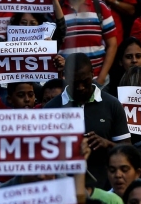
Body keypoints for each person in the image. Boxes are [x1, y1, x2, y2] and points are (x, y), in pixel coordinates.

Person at [45, 53, 131, 188]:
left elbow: (129, 152)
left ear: (92, 74)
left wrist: (107, 144)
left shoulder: (112, 104)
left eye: (85, 81)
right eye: (74, 83)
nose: (80, 87)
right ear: (65, 77)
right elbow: (41, 154)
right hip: (64, 188)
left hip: (105, 188)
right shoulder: (50, 109)